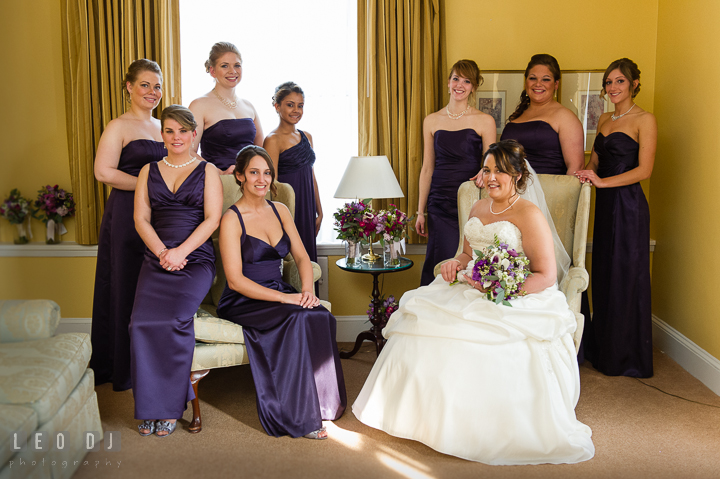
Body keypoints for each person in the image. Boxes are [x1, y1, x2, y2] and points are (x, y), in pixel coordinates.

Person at [354, 140, 594, 465]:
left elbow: (545, 275)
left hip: (512, 293)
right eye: (487, 169)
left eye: (500, 171)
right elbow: (468, 253)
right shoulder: (479, 207)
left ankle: (468, 429)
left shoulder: (529, 213)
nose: (491, 177)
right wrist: (456, 263)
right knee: (421, 323)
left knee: (474, 348)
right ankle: (422, 419)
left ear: (519, 176)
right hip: (468, 285)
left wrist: (498, 286)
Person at [217, 145, 346, 439]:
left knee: (320, 316)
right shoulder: (231, 219)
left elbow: (301, 257)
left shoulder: (281, 209)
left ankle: (324, 405)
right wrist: (287, 298)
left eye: (266, 173)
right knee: (297, 319)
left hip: (277, 289)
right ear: (239, 176)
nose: (261, 179)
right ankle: (300, 417)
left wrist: (307, 291)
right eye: (253, 173)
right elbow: (235, 280)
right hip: (243, 299)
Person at [130, 105, 222, 437]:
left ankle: (168, 409)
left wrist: (181, 252)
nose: (176, 137)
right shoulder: (147, 170)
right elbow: (141, 219)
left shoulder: (207, 170)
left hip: (195, 260)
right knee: (140, 323)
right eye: (169, 131)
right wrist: (162, 253)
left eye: (183, 130)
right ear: (162, 134)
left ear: (194, 133)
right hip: (156, 257)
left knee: (173, 321)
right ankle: (150, 407)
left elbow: (212, 219)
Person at [575, 58, 656, 378]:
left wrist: (602, 182)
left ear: (634, 84)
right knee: (605, 274)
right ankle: (605, 351)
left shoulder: (645, 119)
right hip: (605, 206)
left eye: (619, 81)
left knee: (626, 275)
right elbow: (595, 161)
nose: (612, 87)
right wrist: (585, 175)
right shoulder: (605, 118)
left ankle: (627, 357)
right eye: (609, 82)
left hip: (629, 205)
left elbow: (644, 171)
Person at [90, 59, 167, 391]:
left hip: (161, 216)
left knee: (155, 289)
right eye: (145, 85)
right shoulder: (118, 126)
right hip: (125, 216)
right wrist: (146, 184)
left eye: (158, 86)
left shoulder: (165, 126)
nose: (152, 92)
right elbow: (103, 172)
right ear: (129, 87)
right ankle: (123, 367)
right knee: (125, 286)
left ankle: (154, 363)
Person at [417, 59, 496, 286]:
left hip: (472, 201)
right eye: (456, 79)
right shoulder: (431, 120)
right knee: (440, 260)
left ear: (473, 87)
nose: (460, 85)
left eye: (467, 81)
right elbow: (427, 167)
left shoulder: (485, 121)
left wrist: (484, 171)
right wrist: (420, 211)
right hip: (440, 202)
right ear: (448, 82)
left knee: (467, 260)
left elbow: (491, 165)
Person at [263, 81, 321, 263]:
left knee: (308, 257)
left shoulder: (307, 136)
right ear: (277, 106)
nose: (296, 110)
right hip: (289, 208)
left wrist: (319, 211)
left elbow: (311, 176)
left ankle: (309, 293)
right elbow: (272, 183)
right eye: (290, 105)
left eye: (300, 105)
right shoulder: (273, 140)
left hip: (308, 206)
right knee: (292, 259)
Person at [498, 54, 584, 175]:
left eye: (546, 79)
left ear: (556, 84)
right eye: (533, 78)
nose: (538, 84)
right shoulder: (518, 114)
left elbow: (576, 167)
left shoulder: (565, 117)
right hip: (511, 191)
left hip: (548, 191)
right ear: (526, 81)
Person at [189, 42, 263, 174]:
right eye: (224, 66)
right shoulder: (199, 105)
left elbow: (261, 148)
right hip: (217, 181)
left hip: (251, 181)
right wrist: (219, 173)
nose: (232, 71)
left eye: (237, 65)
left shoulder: (249, 106)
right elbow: (189, 152)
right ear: (213, 71)